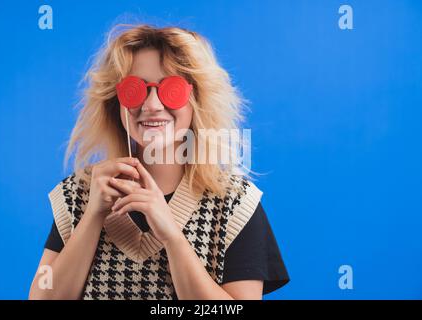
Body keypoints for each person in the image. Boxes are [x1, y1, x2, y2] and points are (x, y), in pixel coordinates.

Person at [29, 24, 290, 300]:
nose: (152, 105)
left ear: (197, 100)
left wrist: (173, 238)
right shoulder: (80, 193)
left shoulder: (235, 204)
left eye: (171, 89)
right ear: (114, 102)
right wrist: (93, 216)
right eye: (135, 90)